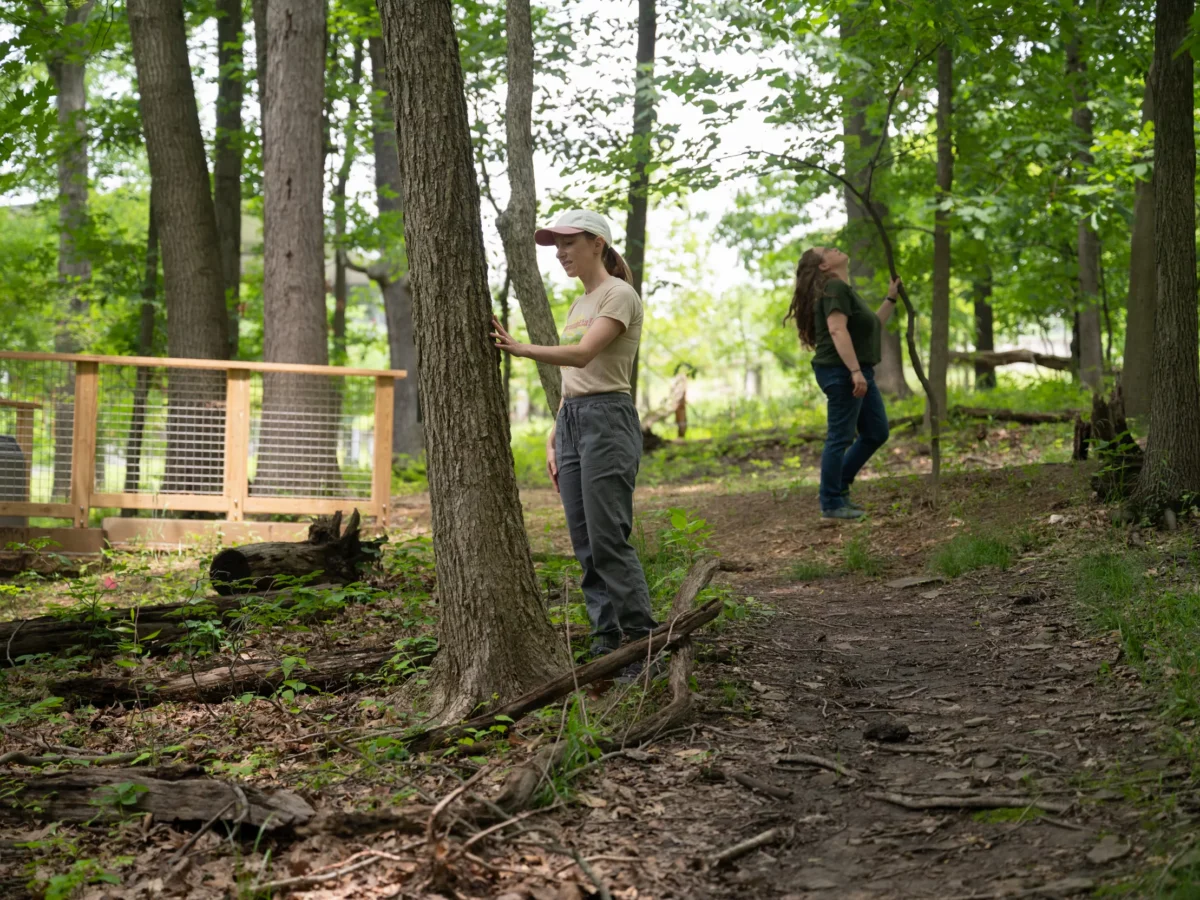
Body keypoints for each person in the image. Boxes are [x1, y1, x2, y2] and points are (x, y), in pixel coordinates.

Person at [491, 209, 659, 684]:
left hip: (608, 421)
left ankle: (642, 646)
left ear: (597, 244)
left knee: (608, 537)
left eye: (569, 243)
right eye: (556, 246)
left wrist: (522, 349)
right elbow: (572, 380)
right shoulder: (580, 303)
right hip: (573, 423)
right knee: (585, 542)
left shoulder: (618, 295)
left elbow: (585, 355)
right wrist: (553, 433)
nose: (561, 253)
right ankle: (605, 641)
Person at [785, 246, 901, 520]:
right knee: (840, 437)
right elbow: (837, 330)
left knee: (876, 432)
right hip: (842, 371)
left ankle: (839, 486)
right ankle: (831, 502)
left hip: (855, 370)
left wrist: (891, 299)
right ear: (824, 266)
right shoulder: (834, 287)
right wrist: (854, 371)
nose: (833, 247)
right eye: (826, 250)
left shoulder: (841, 290)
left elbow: (872, 325)